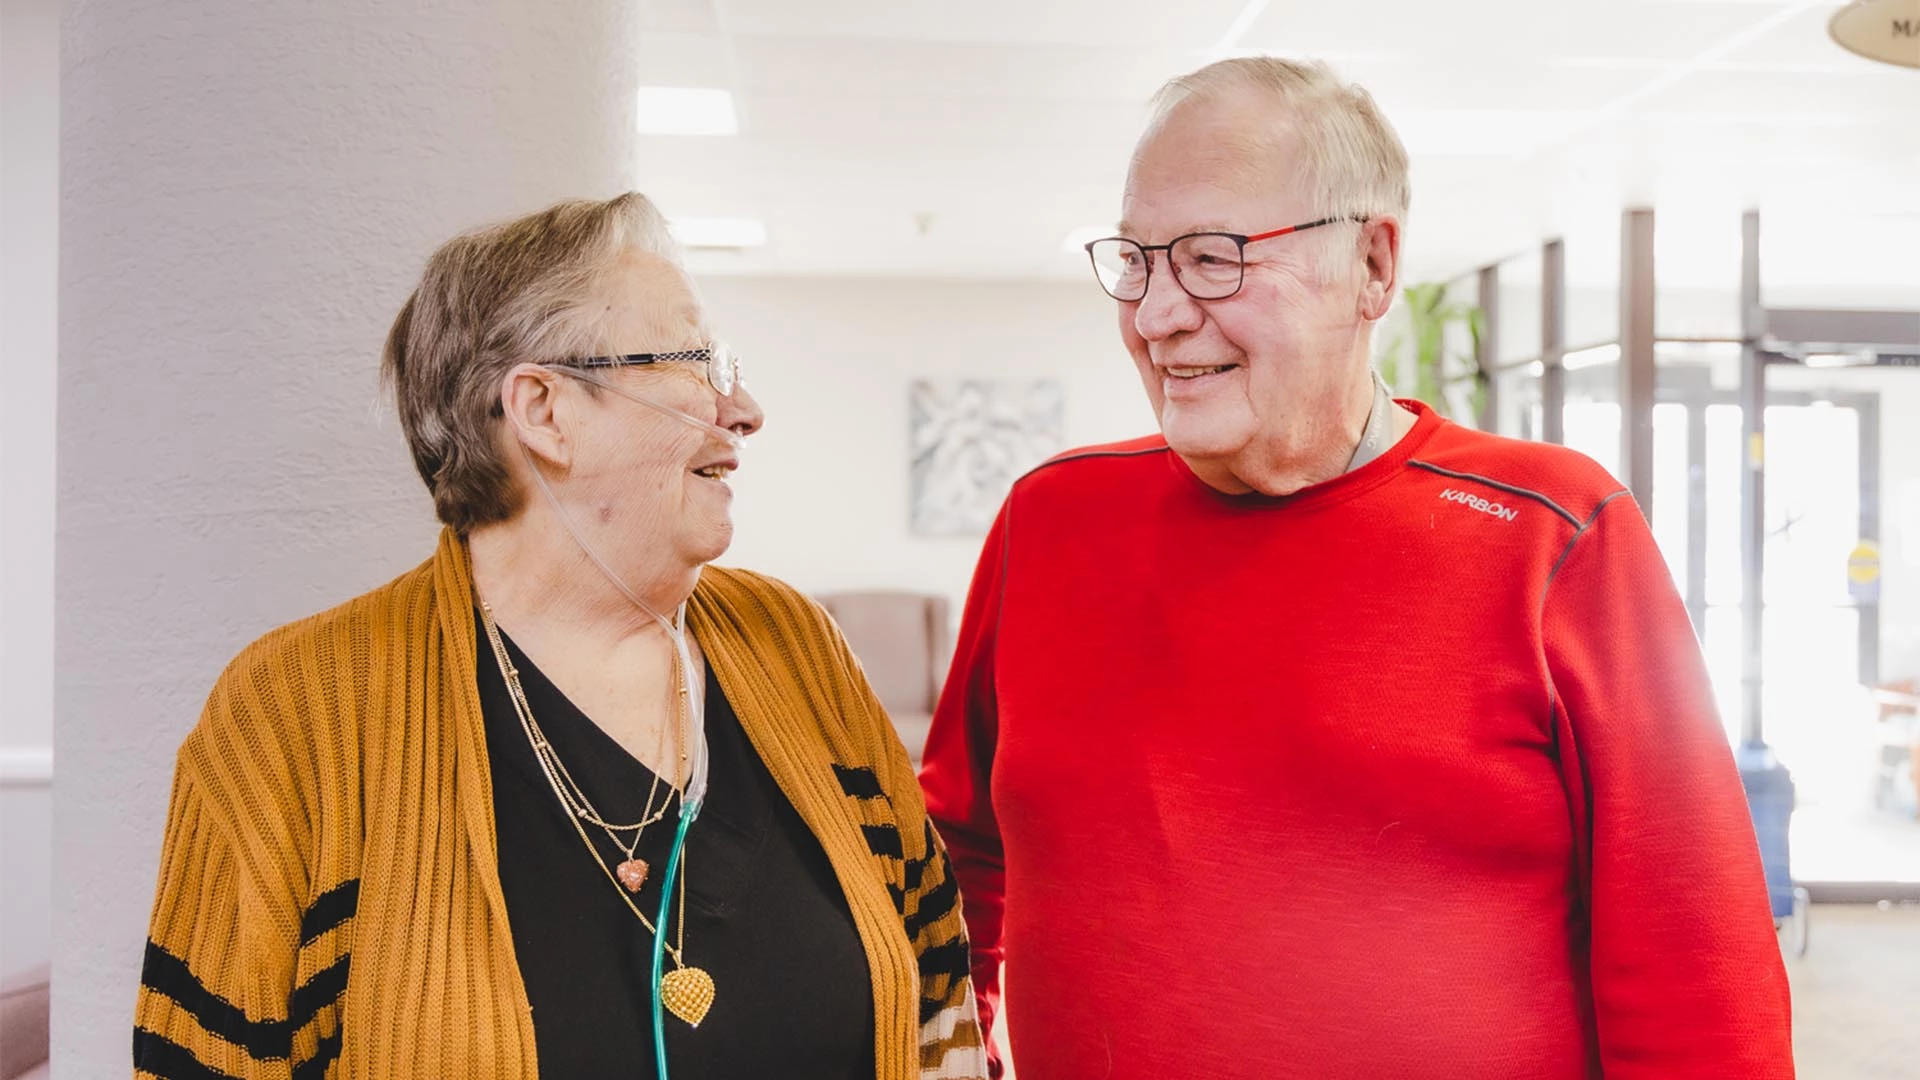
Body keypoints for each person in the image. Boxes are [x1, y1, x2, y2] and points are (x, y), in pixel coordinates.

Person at [918, 58, 1793, 1079]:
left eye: (1211, 258)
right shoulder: (1050, 520)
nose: (1156, 314)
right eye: (1138, 260)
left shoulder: (1555, 534)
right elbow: (957, 867)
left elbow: (1698, 972)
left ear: (1373, 268)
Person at [133, 192, 986, 1080]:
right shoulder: (292, 716)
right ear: (544, 411)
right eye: (699, 360)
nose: (745, 409)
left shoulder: (795, 646)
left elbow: (937, 1000)